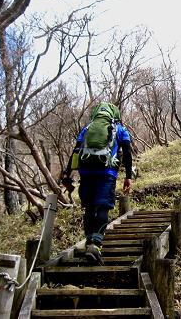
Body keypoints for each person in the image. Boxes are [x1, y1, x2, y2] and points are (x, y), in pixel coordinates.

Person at [62, 102, 133, 265]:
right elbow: (127, 153)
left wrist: (68, 174)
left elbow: (76, 151)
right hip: (106, 173)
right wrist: (128, 176)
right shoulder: (119, 129)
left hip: (86, 172)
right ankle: (95, 245)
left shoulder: (87, 129)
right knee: (102, 207)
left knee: (89, 207)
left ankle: (89, 242)